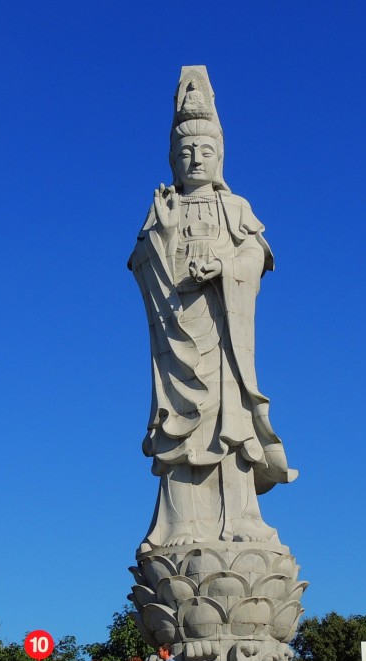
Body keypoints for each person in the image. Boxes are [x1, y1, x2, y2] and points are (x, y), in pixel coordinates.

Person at [129, 66, 297, 552]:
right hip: (179, 337)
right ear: (171, 160)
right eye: (185, 153)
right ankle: (181, 525)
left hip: (223, 335)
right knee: (182, 429)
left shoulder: (235, 207)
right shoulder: (164, 208)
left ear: (220, 155)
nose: (195, 160)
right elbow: (140, 264)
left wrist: (224, 265)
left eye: (205, 151)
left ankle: (241, 519)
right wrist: (158, 234)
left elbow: (257, 255)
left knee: (230, 427)